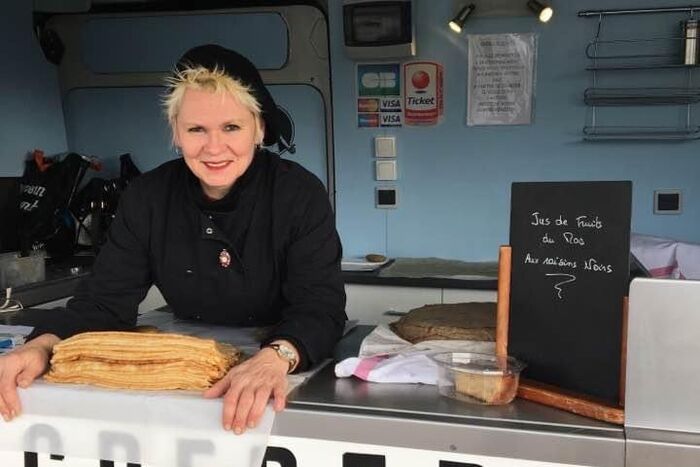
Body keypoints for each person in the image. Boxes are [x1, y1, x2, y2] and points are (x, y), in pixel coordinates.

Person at [0, 44, 347, 435]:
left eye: (231, 127)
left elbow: (321, 304)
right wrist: (41, 346)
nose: (214, 148)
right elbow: (103, 304)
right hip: (189, 362)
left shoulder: (298, 193)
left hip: (283, 355)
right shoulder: (149, 196)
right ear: (176, 134)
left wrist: (276, 357)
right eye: (196, 129)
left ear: (260, 129)